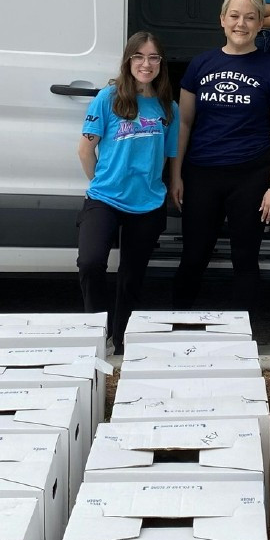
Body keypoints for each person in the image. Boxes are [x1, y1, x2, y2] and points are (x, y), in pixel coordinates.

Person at [170, 0, 270, 315]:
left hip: (251, 175)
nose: (242, 23)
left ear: (261, 24)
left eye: (250, 17)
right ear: (222, 20)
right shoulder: (201, 65)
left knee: (245, 257)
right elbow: (183, 124)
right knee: (194, 255)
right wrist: (176, 175)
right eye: (235, 16)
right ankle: (174, 328)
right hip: (201, 173)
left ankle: (245, 340)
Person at [77, 32, 178, 353]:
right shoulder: (108, 98)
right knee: (90, 263)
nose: (146, 64)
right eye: (139, 57)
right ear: (128, 60)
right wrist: (103, 181)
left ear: (161, 64)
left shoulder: (167, 107)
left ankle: (120, 339)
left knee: (132, 277)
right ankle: (98, 330)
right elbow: (84, 150)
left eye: (153, 58)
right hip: (104, 199)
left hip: (147, 203)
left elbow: (166, 155)